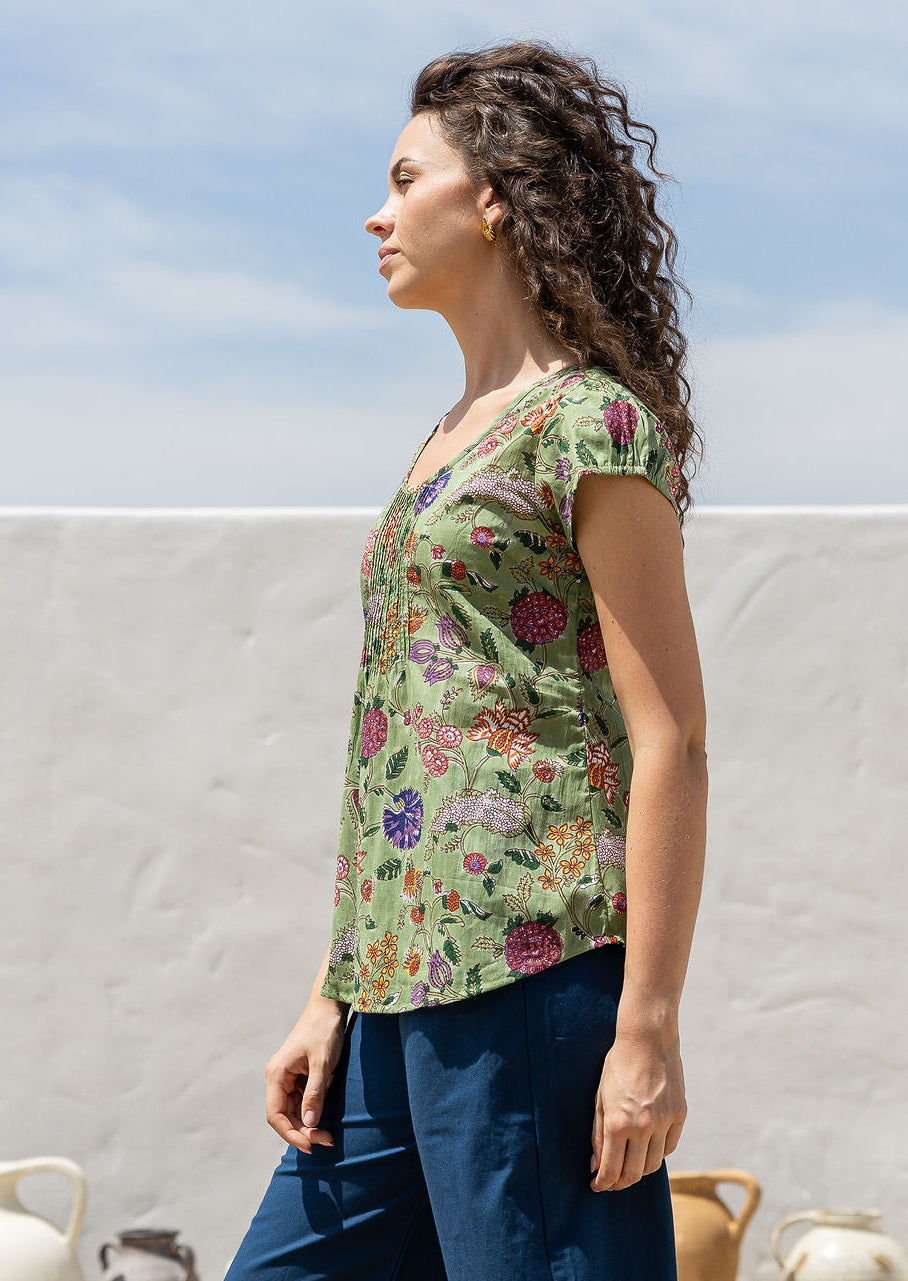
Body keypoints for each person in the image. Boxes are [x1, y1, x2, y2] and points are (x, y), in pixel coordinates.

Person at [225, 37, 708, 1281]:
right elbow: (401, 730)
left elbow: (671, 740)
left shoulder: (591, 423)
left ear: (492, 197)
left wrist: (644, 1029)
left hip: (527, 973)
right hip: (391, 990)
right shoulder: (446, 437)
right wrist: (333, 988)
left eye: (404, 179)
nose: (375, 215)